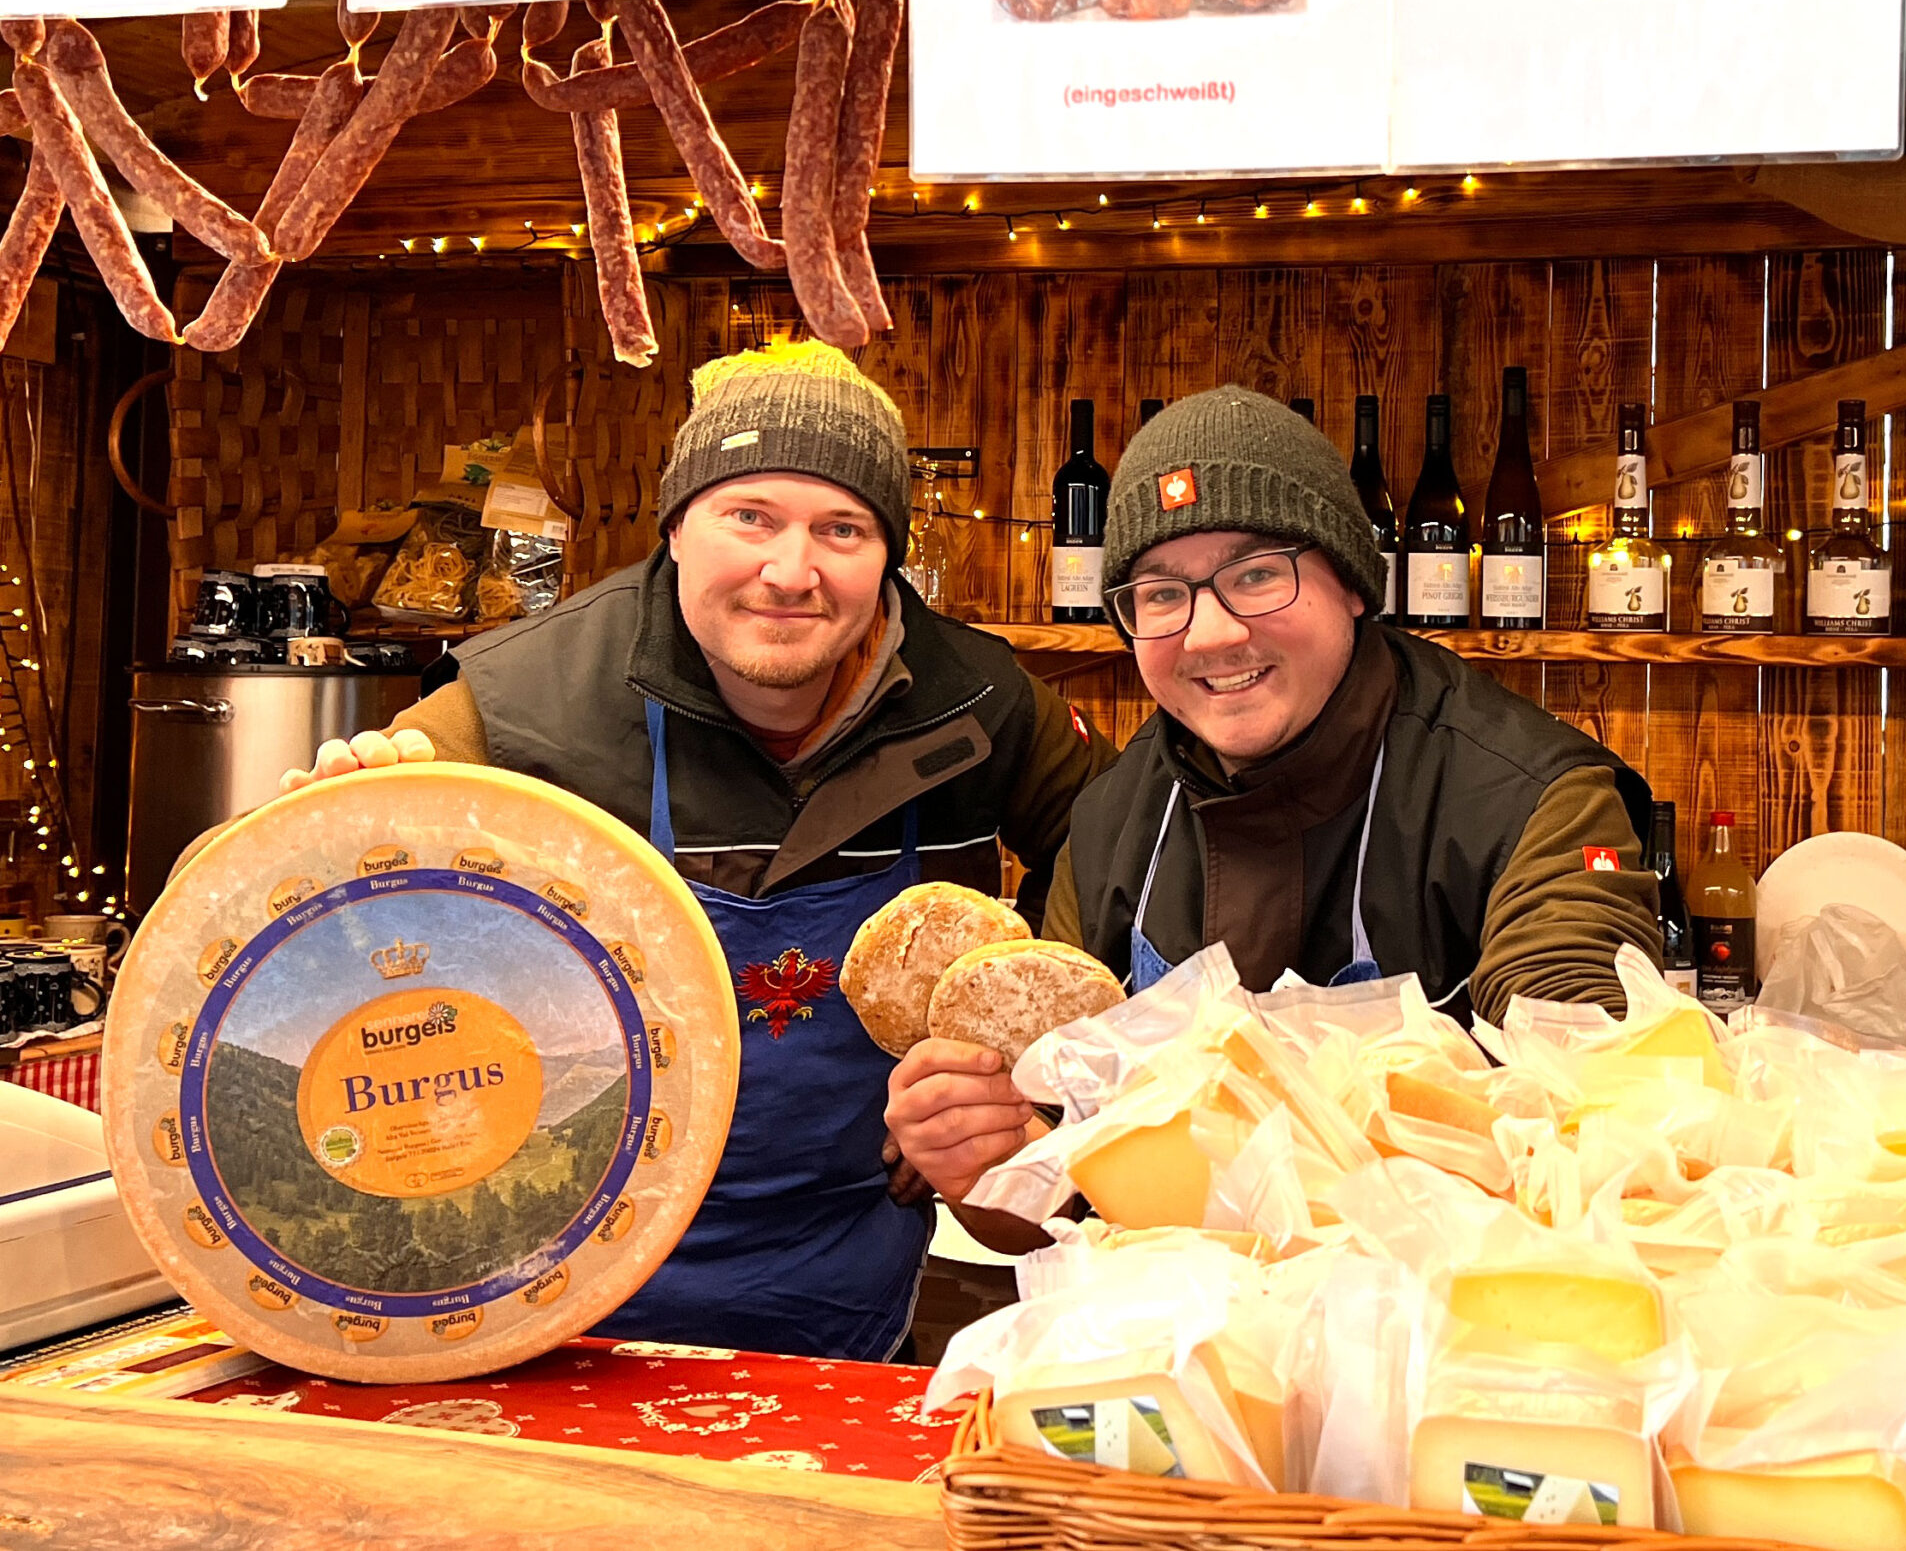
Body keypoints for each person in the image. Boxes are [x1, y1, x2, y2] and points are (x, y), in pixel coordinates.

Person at [284, 340, 1112, 1358]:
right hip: (551, 1283)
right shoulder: (520, 704)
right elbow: (297, 917)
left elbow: (1117, 845)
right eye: (749, 517)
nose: (790, 571)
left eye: (841, 528)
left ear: (887, 550)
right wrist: (332, 834)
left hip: (844, 1265)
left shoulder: (980, 703)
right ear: (678, 525)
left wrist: (1020, 1081)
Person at [885, 385, 1660, 1218]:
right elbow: (1059, 1190)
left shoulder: (1532, 796)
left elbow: (1589, 1058)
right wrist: (991, 1165)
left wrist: (1579, 1081)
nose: (1211, 632)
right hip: (1174, 1335)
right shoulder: (1113, 821)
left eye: (1256, 574)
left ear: (1354, 583)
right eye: (1160, 594)